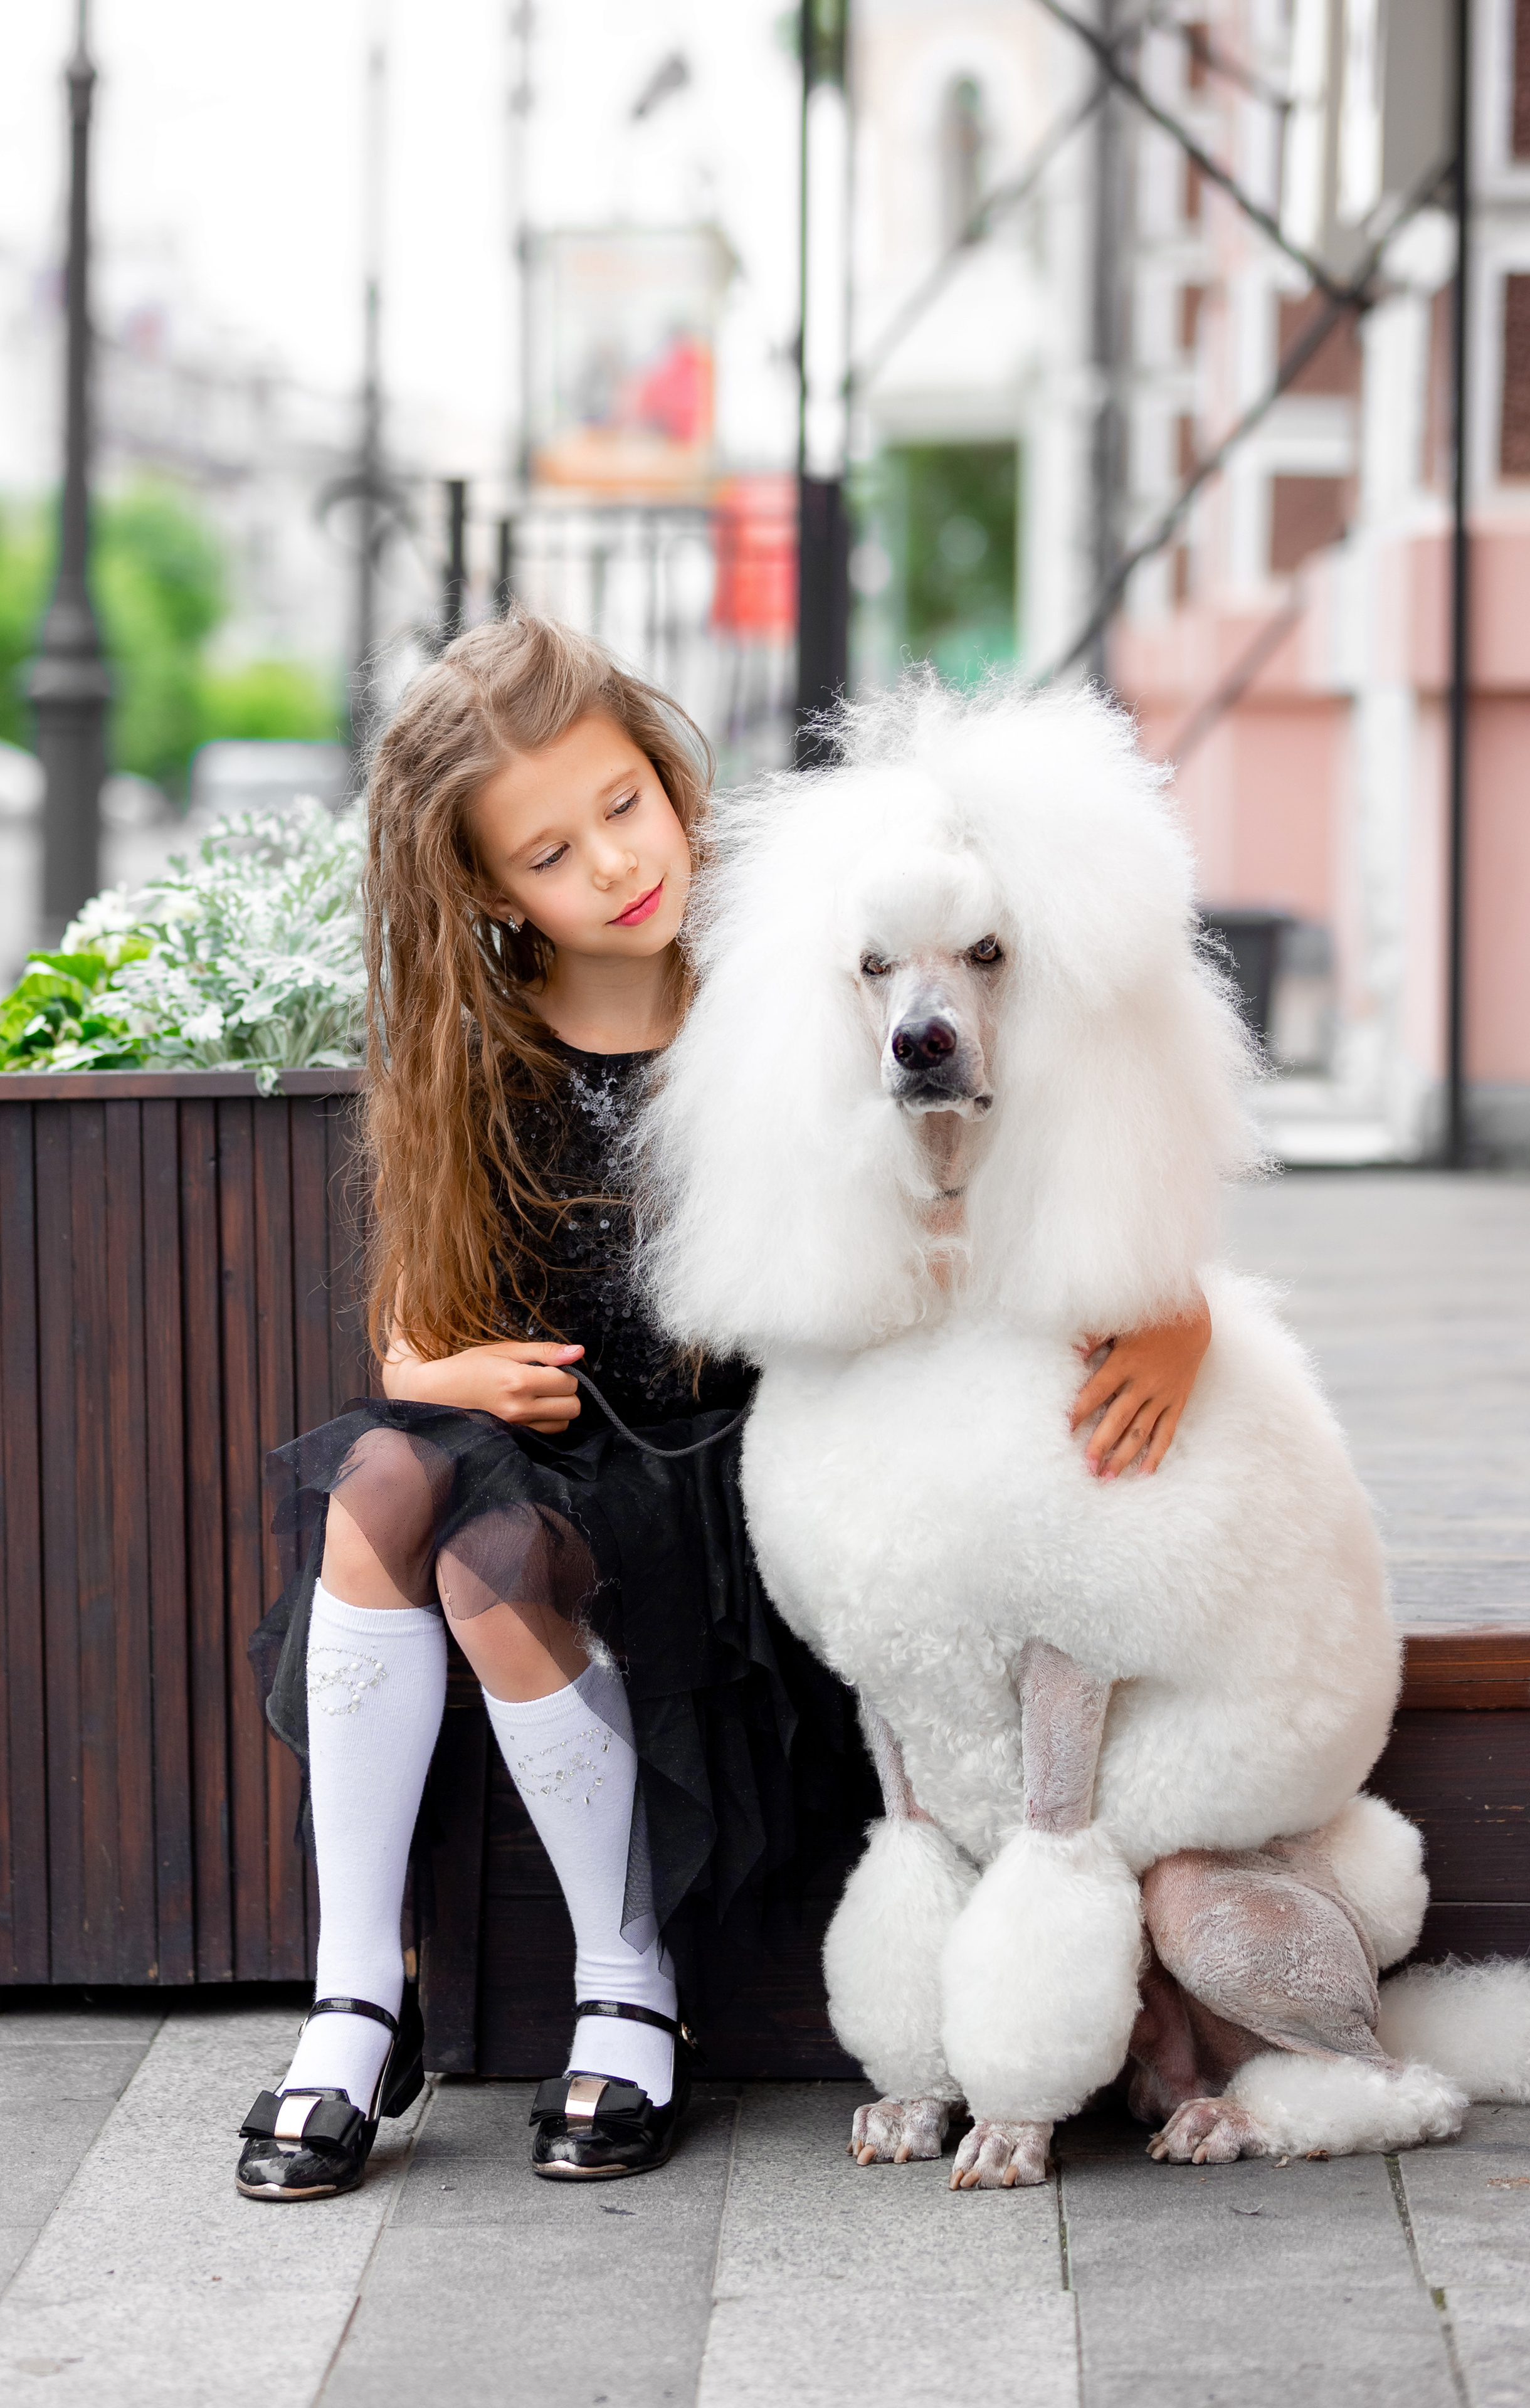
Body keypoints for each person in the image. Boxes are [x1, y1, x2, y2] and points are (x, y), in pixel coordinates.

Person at [235, 611, 1212, 2201]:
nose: (613, 863)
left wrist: (1166, 1310)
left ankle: (625, 1989)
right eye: (550, 853)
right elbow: (411, 1331)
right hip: (552, 1447)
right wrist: (438, 1373)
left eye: (622, 804)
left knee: (484, 1568)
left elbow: (1058, 1111)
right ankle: (356, 1998)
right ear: (490, 892)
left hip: (742, 1471)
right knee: (382, 1486)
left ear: (667, 772)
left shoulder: (793, 962)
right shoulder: (480, 1045)